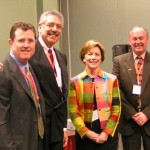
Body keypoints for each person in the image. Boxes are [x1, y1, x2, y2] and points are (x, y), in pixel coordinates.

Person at [68, 40, 121, 150]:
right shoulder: (75, 81)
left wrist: (106, 133)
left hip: (107, 135)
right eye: (89, 54)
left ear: (101, 59)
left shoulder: (112, 80)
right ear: (83, 58)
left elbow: (116, 109)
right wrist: (86, 132)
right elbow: (73, 111)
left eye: (97, 54)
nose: (93, 57)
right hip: (84, 136)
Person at [0, 22, 46, 150]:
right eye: (21, 40)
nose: (26, 45)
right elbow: (1, 120)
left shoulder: (30, 68)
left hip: (36, 142)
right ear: (11, 42)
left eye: (30, 41)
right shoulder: (3, 72)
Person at [29, 10, 68, 150]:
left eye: (58, 26)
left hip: (56, 127)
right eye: (50, 25)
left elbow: (62, 94)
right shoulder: (29, 51)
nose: (54, 29)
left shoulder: (61, 57)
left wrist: (63, 128)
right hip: (38, 127)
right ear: (40, 27)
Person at [112, 26, 150, 150]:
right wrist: (133, 114)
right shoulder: (119, 61)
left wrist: (146, 114)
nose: (138, 41)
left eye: (141, 38)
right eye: (134, 38)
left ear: (147, 40)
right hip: (129, 121)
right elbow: (116, 89)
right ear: (129, 41)